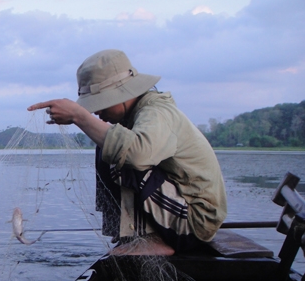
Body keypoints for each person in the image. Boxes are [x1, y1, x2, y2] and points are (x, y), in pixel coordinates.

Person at [28, 49, 227, 255]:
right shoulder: (137, 115)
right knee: (108, 144)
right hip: (180, 212)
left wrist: (80, 116)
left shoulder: (157, 112)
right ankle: (128, 232)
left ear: (122, 94)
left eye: (100, 104)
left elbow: (136, 154)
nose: (97, 112)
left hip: (195, 222)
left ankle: (147, 238)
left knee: (122, 153)